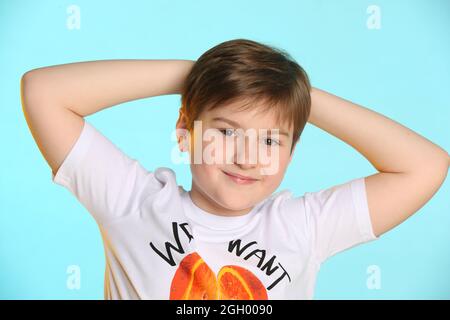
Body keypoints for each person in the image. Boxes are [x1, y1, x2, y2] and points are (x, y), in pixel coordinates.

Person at [20, 39, 449, 300]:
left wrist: (293, 94)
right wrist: (200, 75)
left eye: (270, 140)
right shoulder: (131, 202)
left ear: (292, 151)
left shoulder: (305, 227)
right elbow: (42, 91)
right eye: (226, 131)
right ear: (185, 131)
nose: (248, 157)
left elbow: (426, 165)